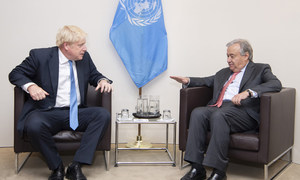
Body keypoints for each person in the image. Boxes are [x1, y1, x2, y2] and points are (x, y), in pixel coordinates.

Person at [9, 25, 113, 180]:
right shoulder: (40, 56)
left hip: (77, 111)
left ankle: (76, 165)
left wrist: (102, 80)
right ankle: (56, 167)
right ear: (66, 46)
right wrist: (31, 86)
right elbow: (15, 73)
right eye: (80, 45)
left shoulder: (84, 58)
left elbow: (94, 74)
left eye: (84, 44)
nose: (85, 48)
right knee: (34, 124)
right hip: (48, 112)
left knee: (102, 115)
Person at [171, 39, 282, 180]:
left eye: (232, 56)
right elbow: (206, 81)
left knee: (219, 115)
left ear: (246, 55)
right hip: (219, 108)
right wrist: (188, 80)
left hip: (243, 112)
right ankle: (197, 168)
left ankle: (219, 171)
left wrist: (248, 92)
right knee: (198, 112)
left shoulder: (260, 69)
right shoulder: (223, 73)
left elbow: (275, 84)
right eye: (227, 56)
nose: (228, 60)